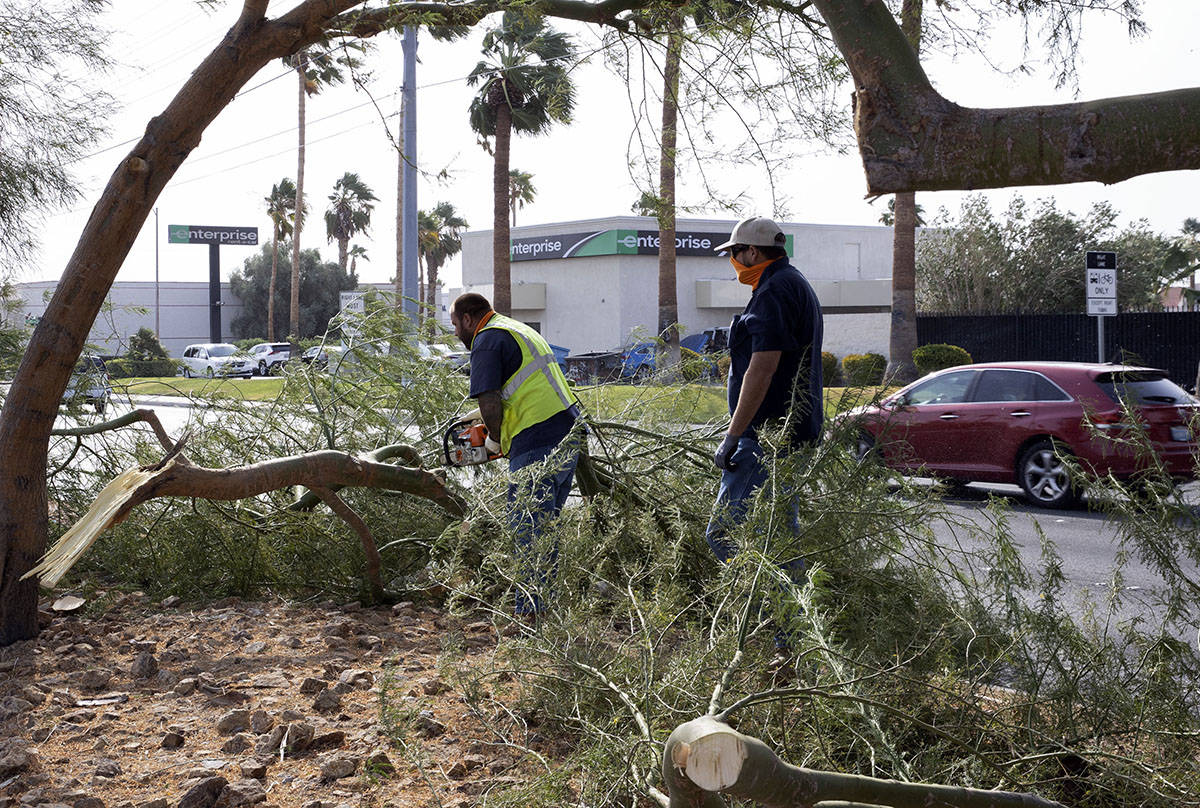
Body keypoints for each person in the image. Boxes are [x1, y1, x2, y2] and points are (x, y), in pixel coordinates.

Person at [450, 292, 581, 615]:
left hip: (537, 440)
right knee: (544, 530)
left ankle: (529, 616)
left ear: (469, 319)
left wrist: (494, 438)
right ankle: (544, 612)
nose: (455, 333)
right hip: (567, 436)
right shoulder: (514, 329)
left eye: (455, 325)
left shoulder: (487, 340)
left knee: (528, 529)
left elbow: (489, 401)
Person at [706, 216, 824, 567]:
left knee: (724, 532)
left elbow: (762, 369)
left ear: (753, 252)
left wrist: (733, 435)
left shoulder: (774, 292)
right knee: (780, 536)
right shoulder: (792, 282)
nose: (733, 261)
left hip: (768, 438)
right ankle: (793, 619)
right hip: (790, 433)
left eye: (735, 253)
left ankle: (770, 615)